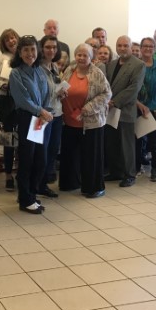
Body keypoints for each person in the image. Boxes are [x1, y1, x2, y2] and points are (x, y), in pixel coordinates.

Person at [9, 35, 53, 214]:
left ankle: (31, 193)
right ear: (19, 52)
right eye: (25, 50)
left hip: (42, 120)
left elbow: (48, 94)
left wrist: (47, 111)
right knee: (27, 159)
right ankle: (25, 199)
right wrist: (40, 111)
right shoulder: (16, 73)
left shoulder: (40, 71)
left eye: (33, 49)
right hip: (28, 118)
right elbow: (22, 99)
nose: (30, 53)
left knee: (41, 159)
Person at [60, 43, 111, 197]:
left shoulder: (97, 73)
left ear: (91, 57)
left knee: (91, 156)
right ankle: (70, 183)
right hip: (69, 121)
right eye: (79, 55)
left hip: (91, 122)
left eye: (85, 55)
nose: (81, 58)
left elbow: (106, 94)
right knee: (70, 155)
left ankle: (94, 188)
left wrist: (86, 109)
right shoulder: (69, 70)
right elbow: (62, 87)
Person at [106, 35, 145, 187]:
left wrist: (114, 102)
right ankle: (116, 172)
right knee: (113, 142)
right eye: (119, 45)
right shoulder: (112, 64)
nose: (122, 48)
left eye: (125, 45)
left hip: (125, 109)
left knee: (126, 144)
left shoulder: (138, 65)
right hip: (110, 110)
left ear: (130, 47)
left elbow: (133, 89)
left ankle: (130, 174)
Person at [135, 38, 156, 182]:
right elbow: (131, 87)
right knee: (137, 141)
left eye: (151, 46)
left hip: (154, 109)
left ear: (154, 49)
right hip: (135, 107)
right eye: (145, 46)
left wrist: (149, 107)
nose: (148, 48)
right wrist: (139, 105)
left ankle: (155, 169)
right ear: (140, 48)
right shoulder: (134, 65)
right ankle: (135, 168)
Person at [0, 28, 20, 191]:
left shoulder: (24, 57)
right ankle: (8, 175)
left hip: (22, 104)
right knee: (9, 140)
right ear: (3, 44)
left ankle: (20, 171)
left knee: (22, 140)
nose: (11, 41)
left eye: (13, 37)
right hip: (7, 104)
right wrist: (7, 84)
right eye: (7, 39)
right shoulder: (4, 59)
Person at [39, 35, 63, 196]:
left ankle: (45, 183)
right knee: (42, 151)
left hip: (57, 113)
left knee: (53, 150)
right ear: (41, 49)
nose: (51, 50)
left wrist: (62, 92)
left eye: (54, 47)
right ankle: (39, 184)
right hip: (43, 115)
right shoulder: (37, 68)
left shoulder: (54, 66)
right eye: (48, 47)